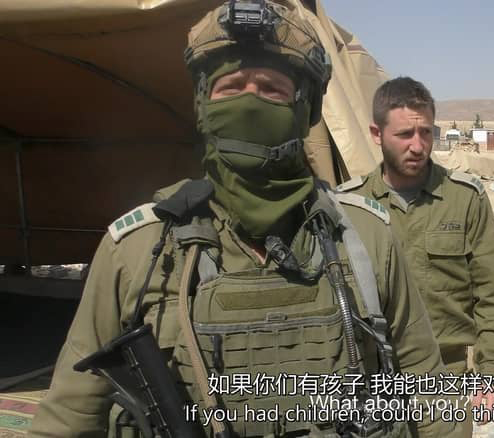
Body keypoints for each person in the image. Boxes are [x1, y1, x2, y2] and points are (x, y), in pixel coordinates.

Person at [28, 2, 460, 437]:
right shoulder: (139, 249)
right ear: (203, 105)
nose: (249, 105)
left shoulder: (363, 236)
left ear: (305, 109)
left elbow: (427, 388)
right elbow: (70, 415)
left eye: (271, 89)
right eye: (231, 88)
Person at [339, 77, 494, 435]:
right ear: (376, 134)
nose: (418, 146)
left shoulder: (464, 198)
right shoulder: (348, 205)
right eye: (405, 134)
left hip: (444, 376)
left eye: (426, 132)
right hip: (370, 382)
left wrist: (491, 372)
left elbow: (493, 292)